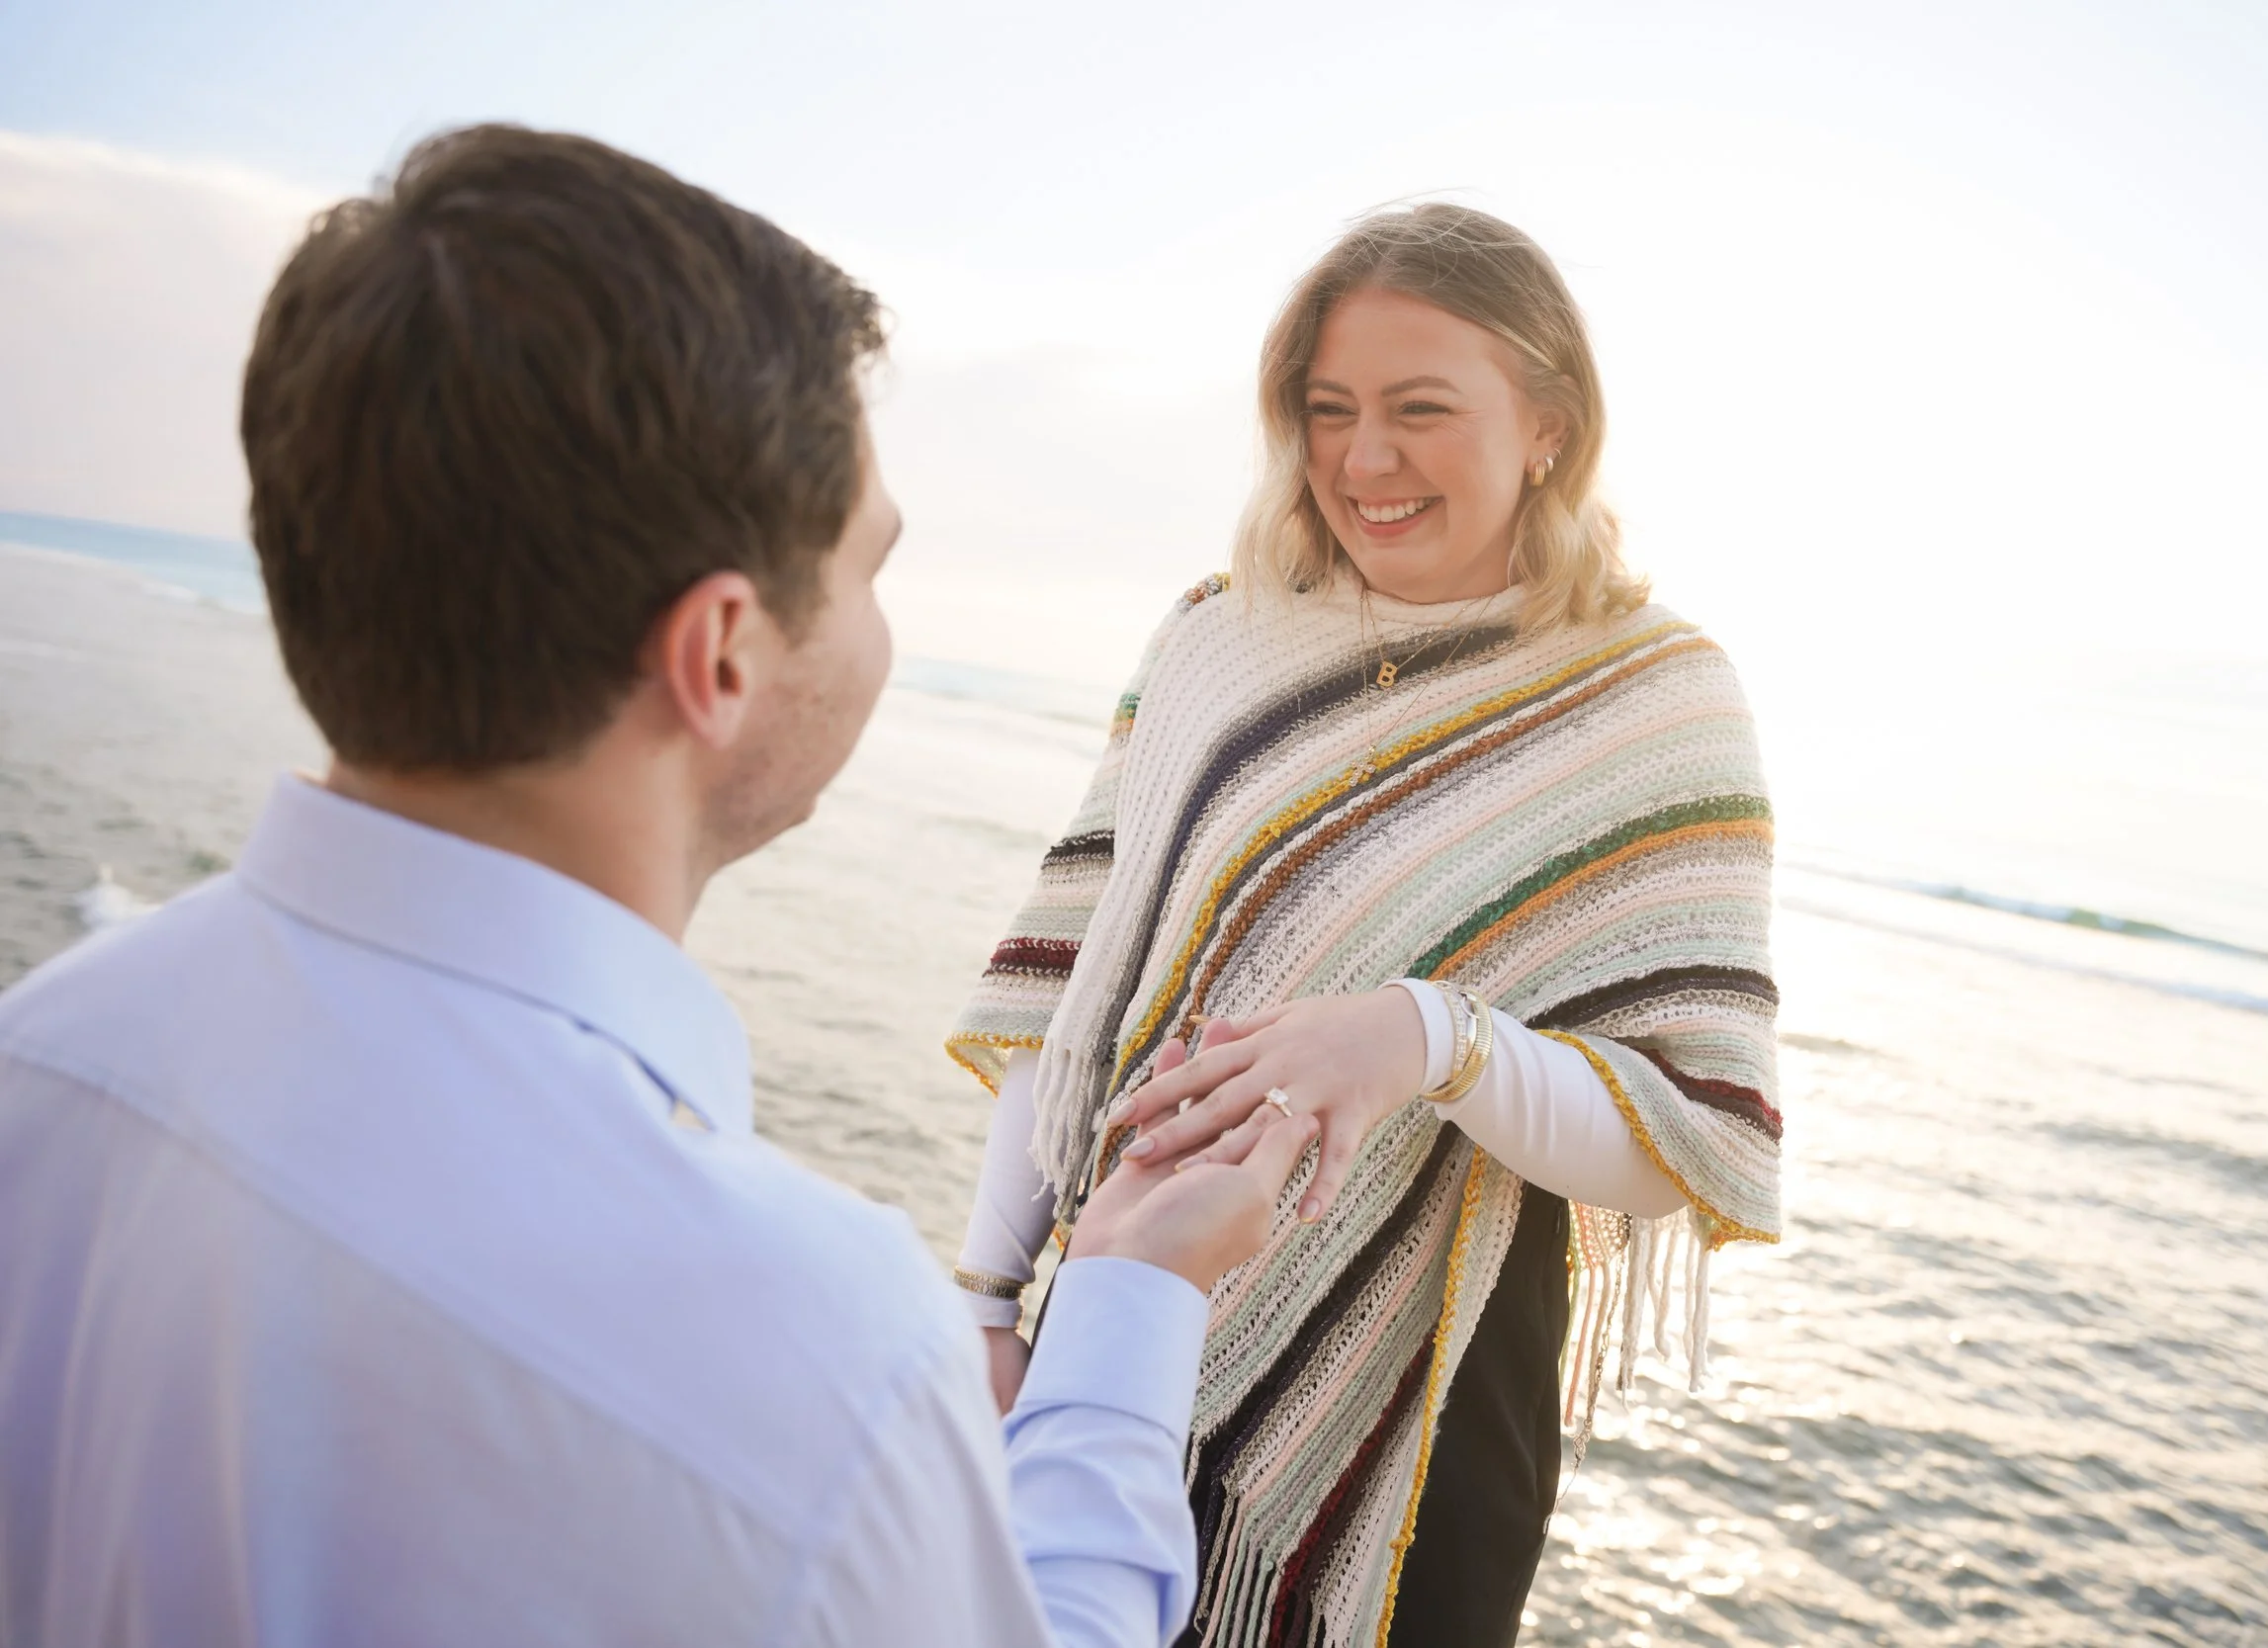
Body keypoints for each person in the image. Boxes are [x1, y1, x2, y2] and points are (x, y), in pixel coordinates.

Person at [0, 125, 1322, 1648]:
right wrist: (1132, 1297)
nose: (884, 622)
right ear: (721, 655)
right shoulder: (809, 1350)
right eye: (871, 567)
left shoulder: (48, 1046)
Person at [945, 204, 1787, 1648]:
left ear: (1549, 427)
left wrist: (1427, 1038)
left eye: (1419, 409)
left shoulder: (1656, 703)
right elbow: (1070, 983)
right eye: (1326, 410)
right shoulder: (1219, 634)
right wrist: (983, 1294)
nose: (1362, 460)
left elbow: (1691, 1130)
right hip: (1114, 1311)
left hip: (1423, 1419)